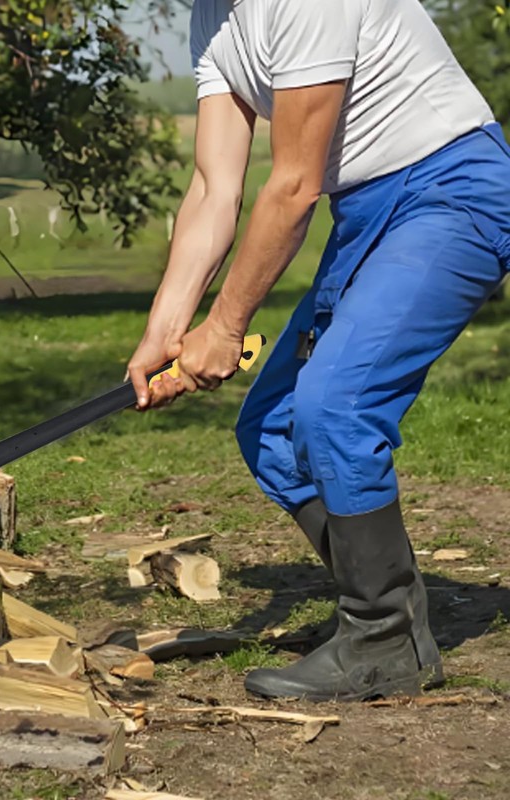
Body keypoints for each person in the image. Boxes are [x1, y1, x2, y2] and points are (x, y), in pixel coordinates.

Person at [126, 0, 510, 702]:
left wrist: (225, 327)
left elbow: (295, 185)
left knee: (336, 405)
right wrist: (167, 328)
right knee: (270, 427)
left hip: (451, 191)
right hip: (365, 210)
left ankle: (380, 639)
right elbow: (215, 188)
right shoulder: (212, 19)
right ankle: (393, 616)